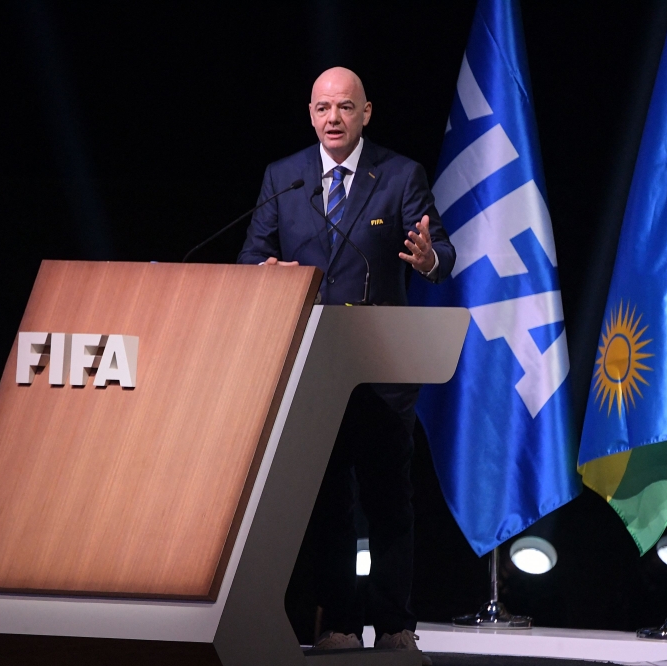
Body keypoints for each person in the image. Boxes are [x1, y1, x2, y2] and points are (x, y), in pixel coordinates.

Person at [238, 67, 455, 660]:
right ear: (311, 114)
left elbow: (444, 254)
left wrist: (430, 257)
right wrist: (266, 274)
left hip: (381, 367)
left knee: (388, 499)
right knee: (327, 499)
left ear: (366, 114)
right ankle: (335, 622)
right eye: (322, 107)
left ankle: (393, 624)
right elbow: (252, 258)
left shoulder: (401, 175)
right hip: (310, 365)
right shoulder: (284, 180)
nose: (333, 118)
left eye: (345, 107)